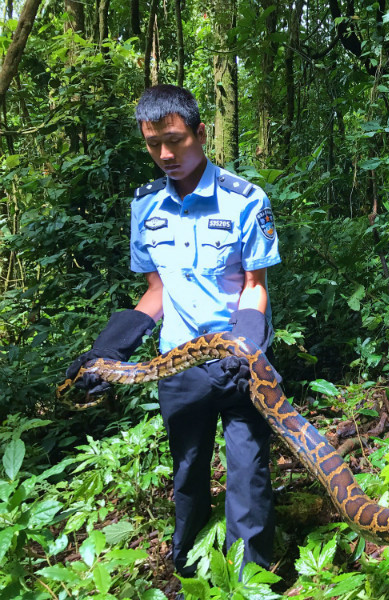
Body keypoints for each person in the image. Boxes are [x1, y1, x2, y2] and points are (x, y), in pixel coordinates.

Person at [66, 85, 281, 582]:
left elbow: (254, 286)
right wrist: (110, 348)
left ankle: (246, 583)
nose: (165, 154)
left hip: (239, 362)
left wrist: (247, 347)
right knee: (187, 473)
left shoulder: (246, 199)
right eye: (153, 143)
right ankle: (188, 571)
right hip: (177, 366)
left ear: (200, 133)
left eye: (176, 140)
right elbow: (156, 290)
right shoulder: (145, 207)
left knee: (247, 474)